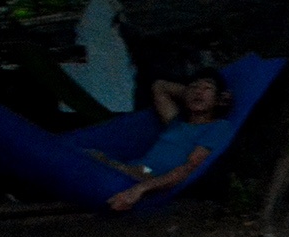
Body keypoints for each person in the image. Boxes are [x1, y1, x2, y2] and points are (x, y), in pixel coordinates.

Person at [91, 68, 234, 211]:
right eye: (194, 87)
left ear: (220, 99)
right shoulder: (176, 122)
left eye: (207, 88)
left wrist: (139, 190)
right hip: (135, 168)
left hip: (149, 177)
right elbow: (159, 86)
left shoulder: (218, 127)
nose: (198, 91)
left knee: (93, 165)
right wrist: (194, 94)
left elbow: (189, 169)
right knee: (89, 155)